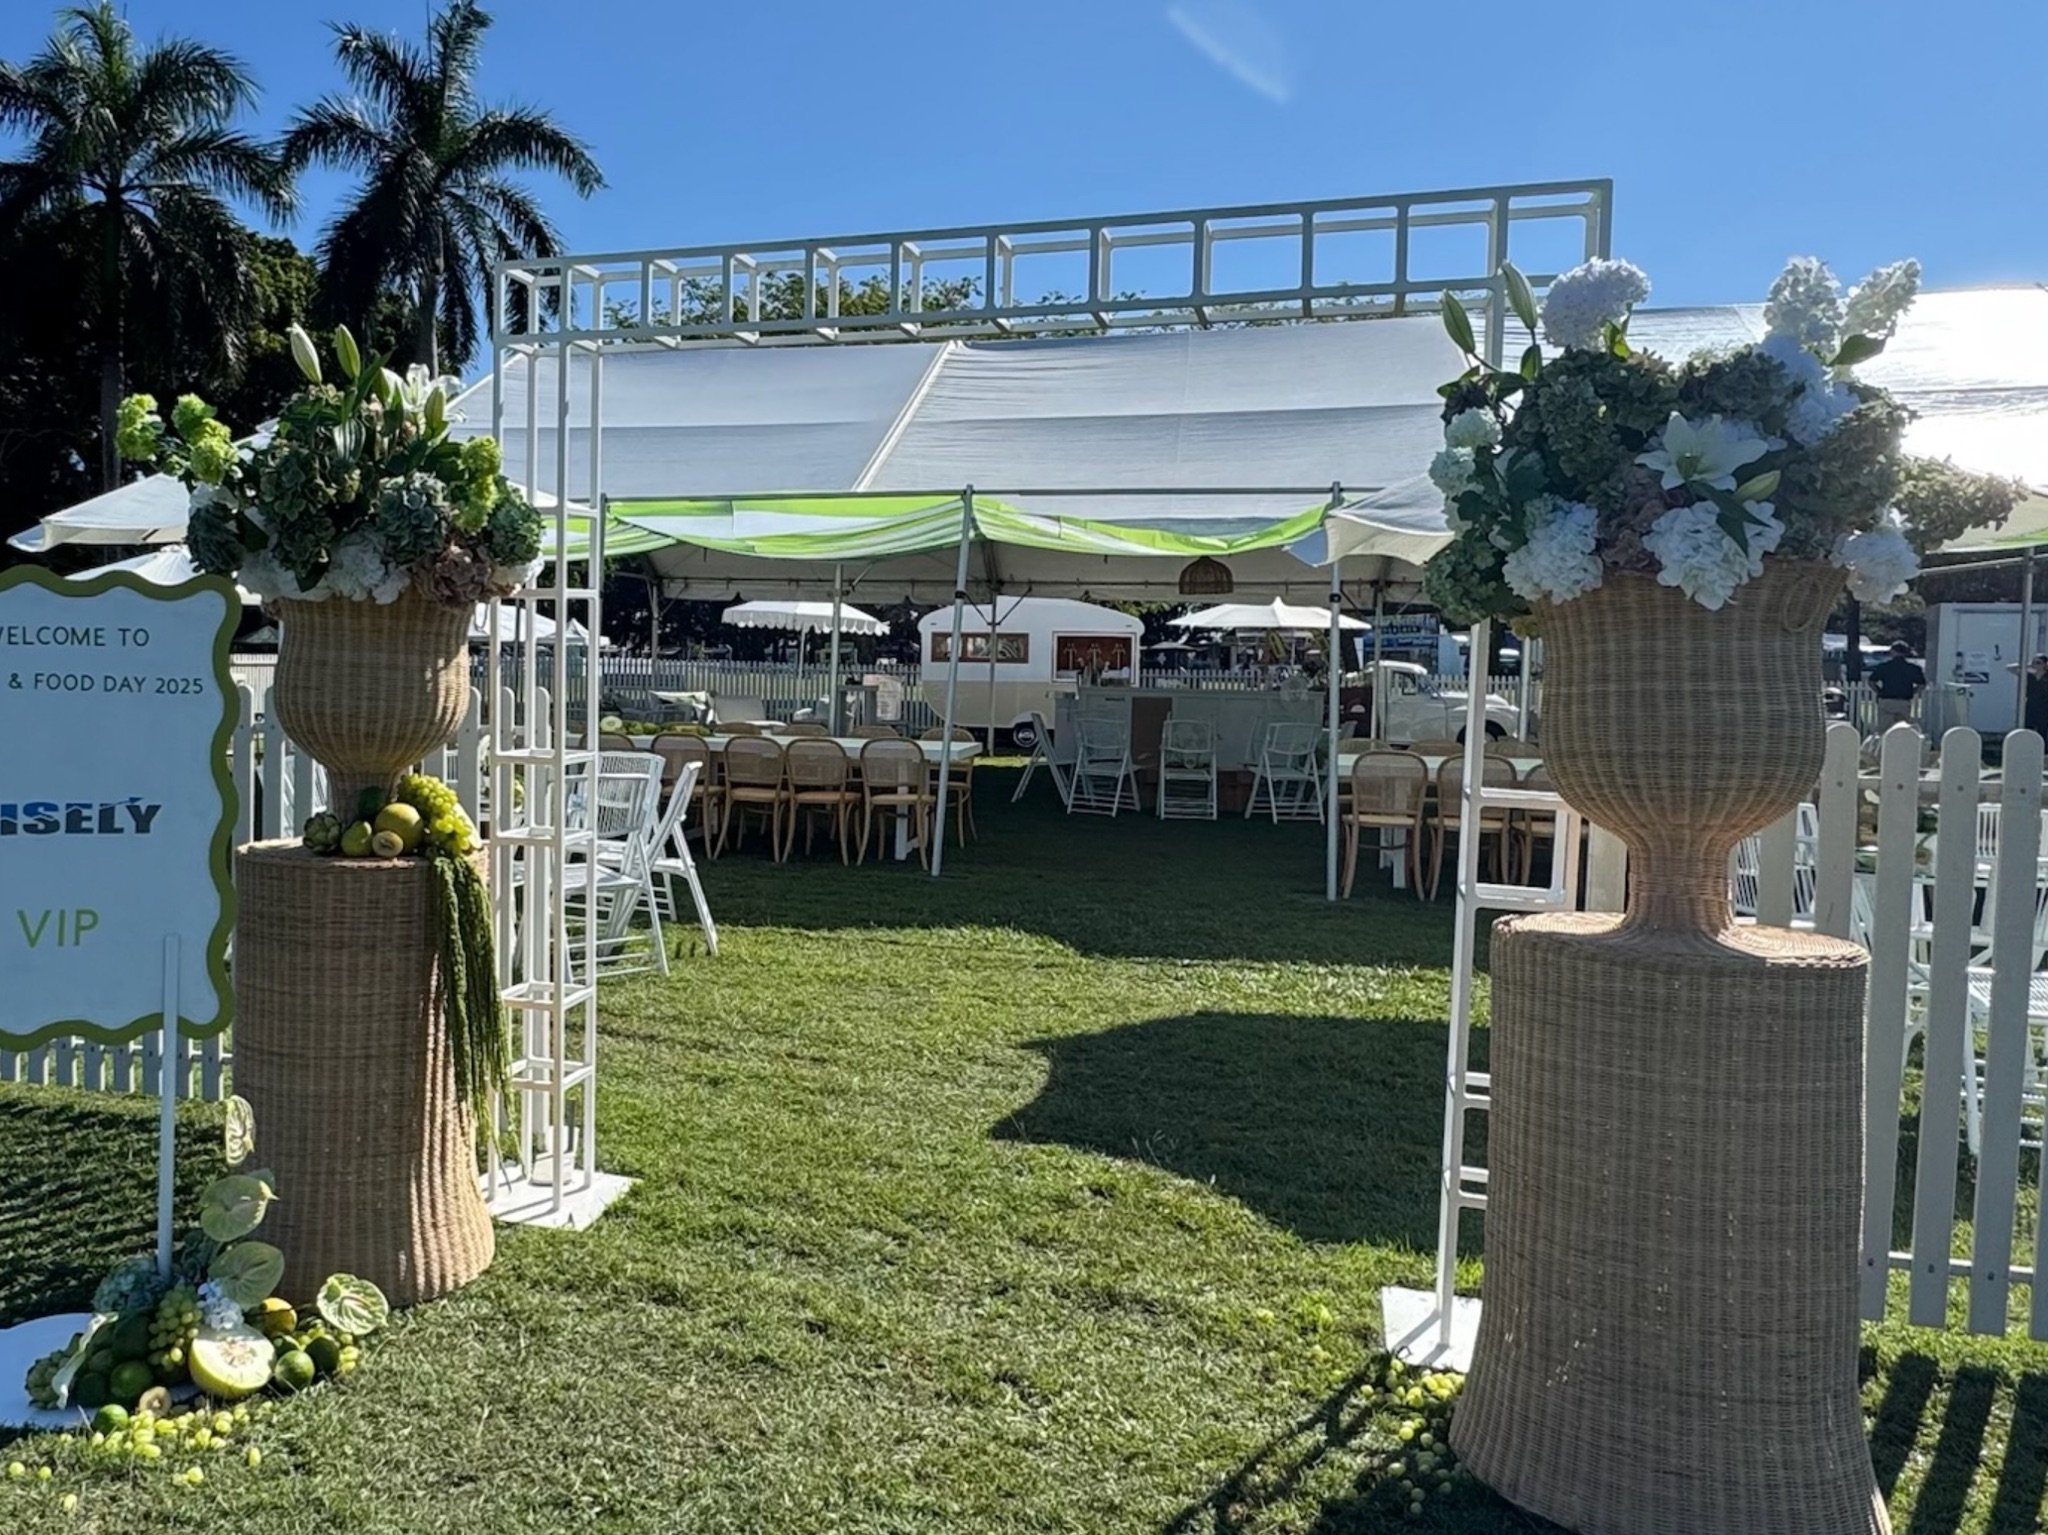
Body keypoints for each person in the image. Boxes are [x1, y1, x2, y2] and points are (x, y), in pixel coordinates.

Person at [1867, 642, 1925, 733]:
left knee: (1884, 729)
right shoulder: (1913, 668)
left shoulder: (1884, 667)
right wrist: (1912, 692)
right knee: (1902, 730)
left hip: (1886, 700)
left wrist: (1879, 691)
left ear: (1892, 651)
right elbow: (1921, 684)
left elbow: (1871, 682)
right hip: (1904, 701)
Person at [2026, 656, 2048, 741]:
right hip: (2031, 706)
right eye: (2034, 663)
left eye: (2038, 663)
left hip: (2044, 708)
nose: (2035, 665)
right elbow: (2010, 668)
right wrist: (2026, 665)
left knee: (2042, 731)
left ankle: (2043, 751)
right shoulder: (2029, 676)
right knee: (2028, 730)